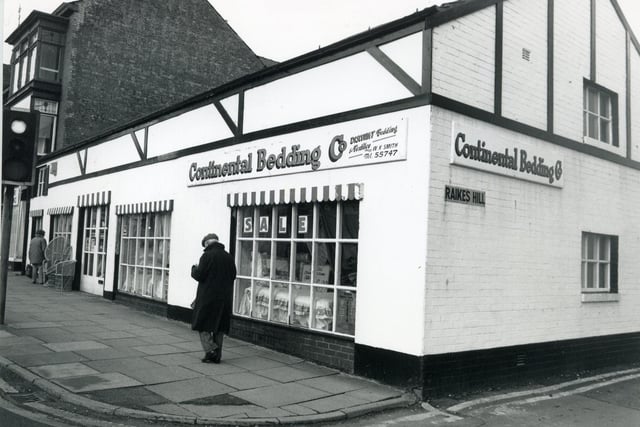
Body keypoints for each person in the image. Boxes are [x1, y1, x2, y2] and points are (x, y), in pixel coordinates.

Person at [191, 233, 237, 364]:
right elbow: (233, 275)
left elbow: (200, 275)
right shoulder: (228, 257)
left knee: (201, 323)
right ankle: (216, 357)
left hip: (208, 297)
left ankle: (211, 349)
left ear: (206, 244)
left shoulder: (206, 256)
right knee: (219, 327)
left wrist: (194, 269)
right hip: (224, 298)